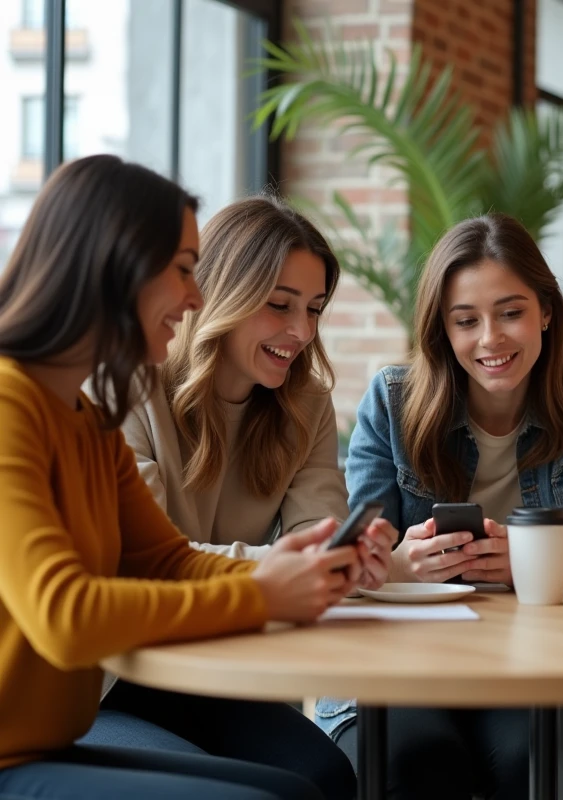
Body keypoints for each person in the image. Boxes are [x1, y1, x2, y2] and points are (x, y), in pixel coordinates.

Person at [0, 155, 366, 799]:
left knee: (312, 787)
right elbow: (64, 613)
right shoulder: (9, 404)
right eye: (182, 271)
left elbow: (165, 561)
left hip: (43, 744)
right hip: (15, 756)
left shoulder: (88, 418)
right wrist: (263, 593)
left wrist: (298, 570)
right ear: (113, 266)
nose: (196, 298)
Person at [79, 196, 398, 798]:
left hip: (216, 673)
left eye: (314, 309)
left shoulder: (304, 407)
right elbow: (145, 564)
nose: (301, 332)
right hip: (108, 677)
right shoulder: (123, 388)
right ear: (217, 293)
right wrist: (281, 569)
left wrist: (350, 558)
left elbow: (319, 539)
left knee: (326, 775)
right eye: (279, 305)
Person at [315, 212, 563, 799]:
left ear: (546, 310)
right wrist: (400, 564)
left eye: (511, 312)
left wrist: (532, 561)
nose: (490, 339)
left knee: (535, 760)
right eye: (466, 321)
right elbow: (362, 549)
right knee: (415, 760)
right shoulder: (392, 401)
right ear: (443, 330)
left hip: (529, 661)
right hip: (399, 662)